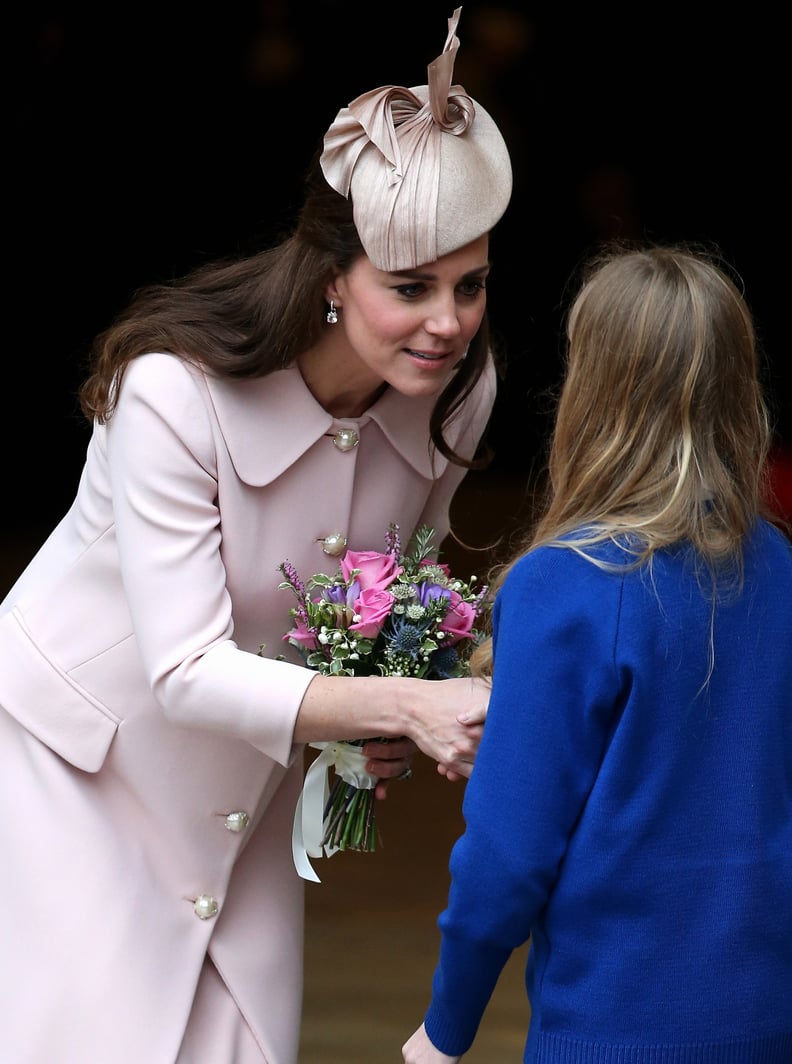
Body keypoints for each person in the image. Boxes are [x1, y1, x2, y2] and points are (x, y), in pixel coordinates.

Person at [0, 8, 513, 1063]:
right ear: (333, 280)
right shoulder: (171, 394)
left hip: (245, 798)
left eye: (470, 285)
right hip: (80, 773)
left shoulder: (460, 393)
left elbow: (365, 620)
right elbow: (186, 668)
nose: (448, 321)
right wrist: (408, 701)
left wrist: (381, 717)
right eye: (410, 287)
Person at [403, 244, 792, 1063]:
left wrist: (447, 1026)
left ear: (595, 391)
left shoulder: (564, 584)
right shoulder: (778, 564)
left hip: (618, 1028)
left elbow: (507, 857)